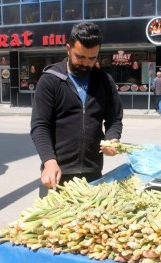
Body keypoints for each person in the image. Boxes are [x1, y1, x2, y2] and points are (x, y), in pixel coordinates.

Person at [31, 22, 123, 198]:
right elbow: (40, 126)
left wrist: (113, 138)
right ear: (68, 49)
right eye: (80, 57)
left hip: (93, 172)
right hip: (57, 173)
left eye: (92, 58)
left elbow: (114, 118)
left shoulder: (104, 81)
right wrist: (49, 161)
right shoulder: (50, 80)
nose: (85, 64)